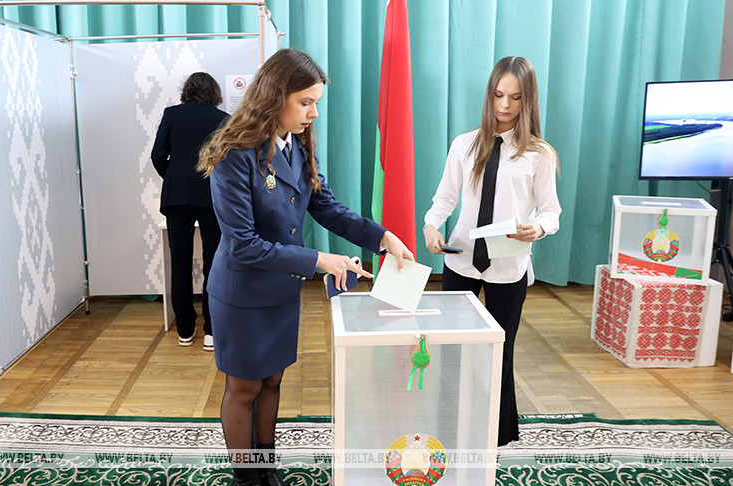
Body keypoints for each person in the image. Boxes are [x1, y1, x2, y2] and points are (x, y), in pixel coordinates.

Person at [198, 48, 414, 486]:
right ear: (274, 95)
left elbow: (329, 209)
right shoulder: (232, 153)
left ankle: (266, 467)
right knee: (244, 389)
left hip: (280, 290)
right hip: (241, 294)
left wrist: (383, 237)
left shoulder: (297, 146)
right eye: (306, 102)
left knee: (273, 382)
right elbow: (243, 246)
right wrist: (321, 260)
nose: (314, 112)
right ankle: (246, 478)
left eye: (316, 102)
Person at [422, 56, 561, 447]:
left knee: (500, 351)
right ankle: (447, 423)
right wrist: (431, 226)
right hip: (461, 261)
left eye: (515, 98)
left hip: (508, 267)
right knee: (451, 349)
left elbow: (552, 211)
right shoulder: (464, 145)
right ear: (490, 94)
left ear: (527, 100)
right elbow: (445, 198)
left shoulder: (539, 155)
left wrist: (539, 227)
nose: (504, 105)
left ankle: (498, 434)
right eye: (498, 95)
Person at [151, 72, 229, 351]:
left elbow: (157, 155)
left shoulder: (171, 114)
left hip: (177, 198)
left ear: (188, 90)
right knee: (214, 264)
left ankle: (185, 329)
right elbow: (228, 160)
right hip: (212, 197)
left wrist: (173, 178)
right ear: (215, 92)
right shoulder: (223, 119)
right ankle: (211, 331)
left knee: (180, 263)